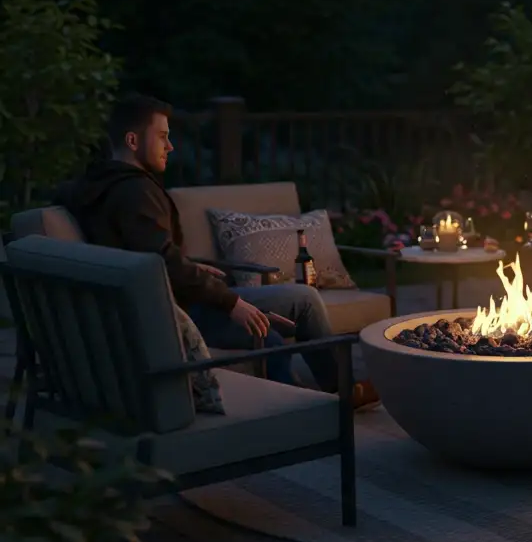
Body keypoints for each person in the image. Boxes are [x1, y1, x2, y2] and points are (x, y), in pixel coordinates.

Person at [54, 94, 339, 392]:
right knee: (304, 302)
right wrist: (231, 303)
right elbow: (161, 261)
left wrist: (192, 267)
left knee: (300, 300)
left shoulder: (94, 187)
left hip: (171, 297)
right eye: (162, 137)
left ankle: (329, 391)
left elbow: (143, 253)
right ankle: (333, 394)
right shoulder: (135, 191)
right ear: (133, 140)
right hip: (179, 310)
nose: (170, 146)